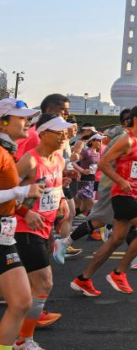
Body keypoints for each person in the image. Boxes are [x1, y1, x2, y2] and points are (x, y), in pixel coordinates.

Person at [70, 106, 137, 296]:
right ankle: (119, 273)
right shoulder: (126, 139)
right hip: (121, 194)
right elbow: (103, 163)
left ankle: (83, 279)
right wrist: (120, 180)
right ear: (136, 119)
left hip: (132, 193)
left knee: (116, 240)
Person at [14, 113, 76, 350]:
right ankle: (23, 339)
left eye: (64, 132)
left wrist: (62, 201)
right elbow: (4, 193)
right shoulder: (29, 161)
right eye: (58, 132)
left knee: (30, 286)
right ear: (43, 133)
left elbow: (55, 185)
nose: (63, 136)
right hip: (24, 228)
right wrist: (25, 213)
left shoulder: (58, 159)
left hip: (44, 228)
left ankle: (19, 335)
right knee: (44, 282)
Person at [0, 99, 44, 350]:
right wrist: (22, 191)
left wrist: (24, 209)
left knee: (20, 302)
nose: (27, 122)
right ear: (3, 123)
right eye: (21, 118)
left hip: (5, 236)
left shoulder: (7, 152)